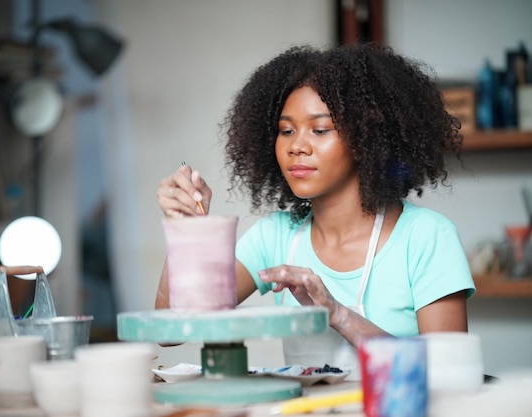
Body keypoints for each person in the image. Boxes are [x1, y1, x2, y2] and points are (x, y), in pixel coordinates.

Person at [154, 43, 475, 374]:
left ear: (369, 138)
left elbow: (448, 374)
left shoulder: (426, 238)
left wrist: (337, 315)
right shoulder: (275, 237)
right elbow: (169, 330)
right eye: (286, 130)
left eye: (320, 130)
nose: (296, 146)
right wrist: (185, 232)